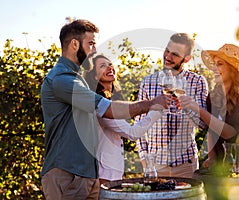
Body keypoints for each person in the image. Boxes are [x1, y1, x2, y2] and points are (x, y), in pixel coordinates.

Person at [40, 19, 170, 200]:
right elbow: (107, 109)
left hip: (85, 174)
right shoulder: (62, 79)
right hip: (67, 174)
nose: (94, 50)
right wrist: (151, 104)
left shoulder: (77, 79)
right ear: (74, 44)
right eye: (91, 44)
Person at [178, 43, 239, 169]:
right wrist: (212, 156)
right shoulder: (213, 98)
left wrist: (198, 109)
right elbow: (211, 129)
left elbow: (231, 134)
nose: (214, 68)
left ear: (232, 69)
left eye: (220, 64)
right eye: (214, 64)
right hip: (222, 170)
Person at [135, 33, 209, 178]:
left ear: (186, 59)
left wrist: (189, 108)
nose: (168, 57)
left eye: (175, 54)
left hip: (186, 165)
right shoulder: (148, 82)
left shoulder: (197, 82)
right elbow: (139, 126)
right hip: (155, 165)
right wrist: (145, 161)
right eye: (167, 51)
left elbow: (202, 125)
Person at [83, 54, 163, 185]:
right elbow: (132, 133)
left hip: (111, 170)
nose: (109, 67)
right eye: (102, 66)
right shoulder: (101, 106)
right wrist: (157, 110)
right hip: (104, 172)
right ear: (94, 76)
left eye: (110, 64)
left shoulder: (110, 101)